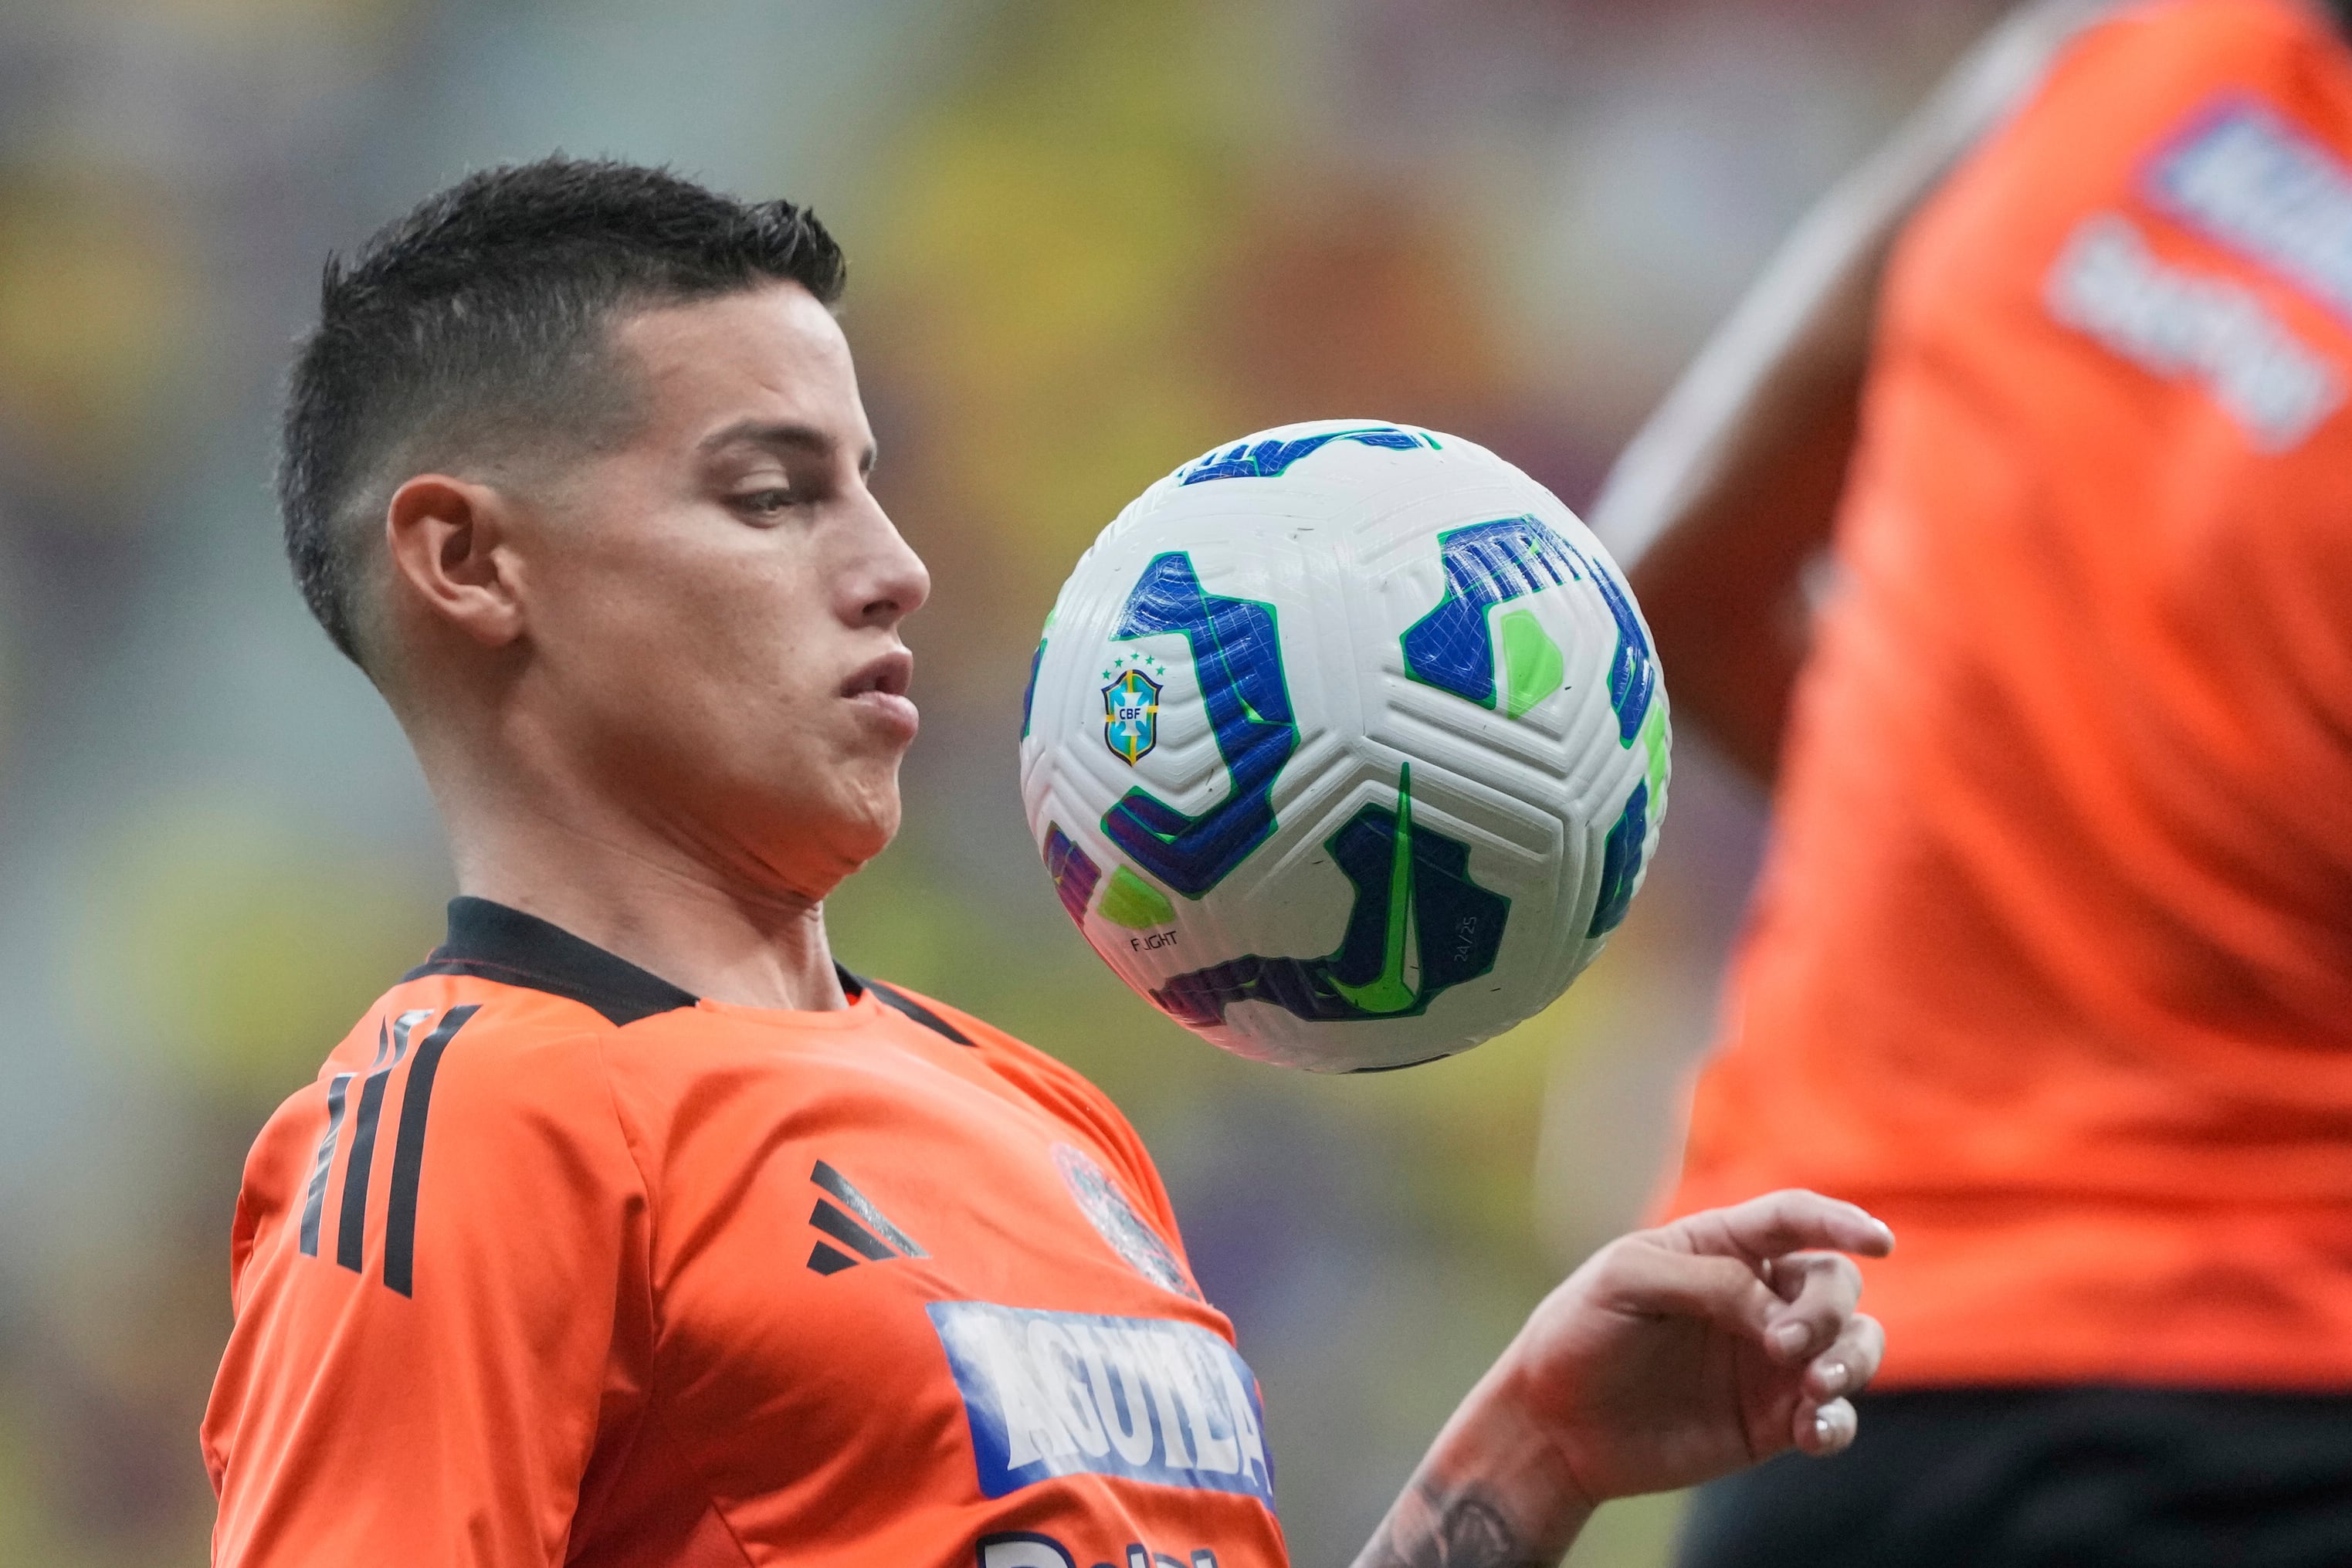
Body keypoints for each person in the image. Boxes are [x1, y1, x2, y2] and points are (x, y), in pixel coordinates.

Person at [200, 159, 1891, 1568]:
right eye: (771, 496)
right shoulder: (477, 1132)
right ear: (466, 559)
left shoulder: (1042, 1114)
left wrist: (1528, 1451)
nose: (893, 568)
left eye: (872, 485)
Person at [1594, 0, 2352, 1562]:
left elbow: (1655, 589)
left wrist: (2023, 859)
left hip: (1846, 1381)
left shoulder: (2098, 59)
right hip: (2276, 1412)